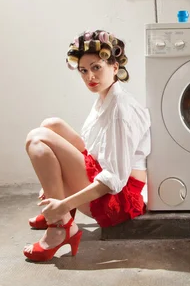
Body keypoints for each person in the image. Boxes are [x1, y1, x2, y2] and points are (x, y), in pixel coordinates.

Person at [22, 30, 151, 262]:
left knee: (36, 139)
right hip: (106, 178)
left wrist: (63, 203)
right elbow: (92, 149)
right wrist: (55, 183)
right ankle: (60, 208)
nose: (89, 76)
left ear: (114, 66)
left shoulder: (120, 110)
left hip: (118, 200)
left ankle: (60, 226)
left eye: (96, 67)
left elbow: (113, 179)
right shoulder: (105, 96)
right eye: (83, 70)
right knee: (51, 125)